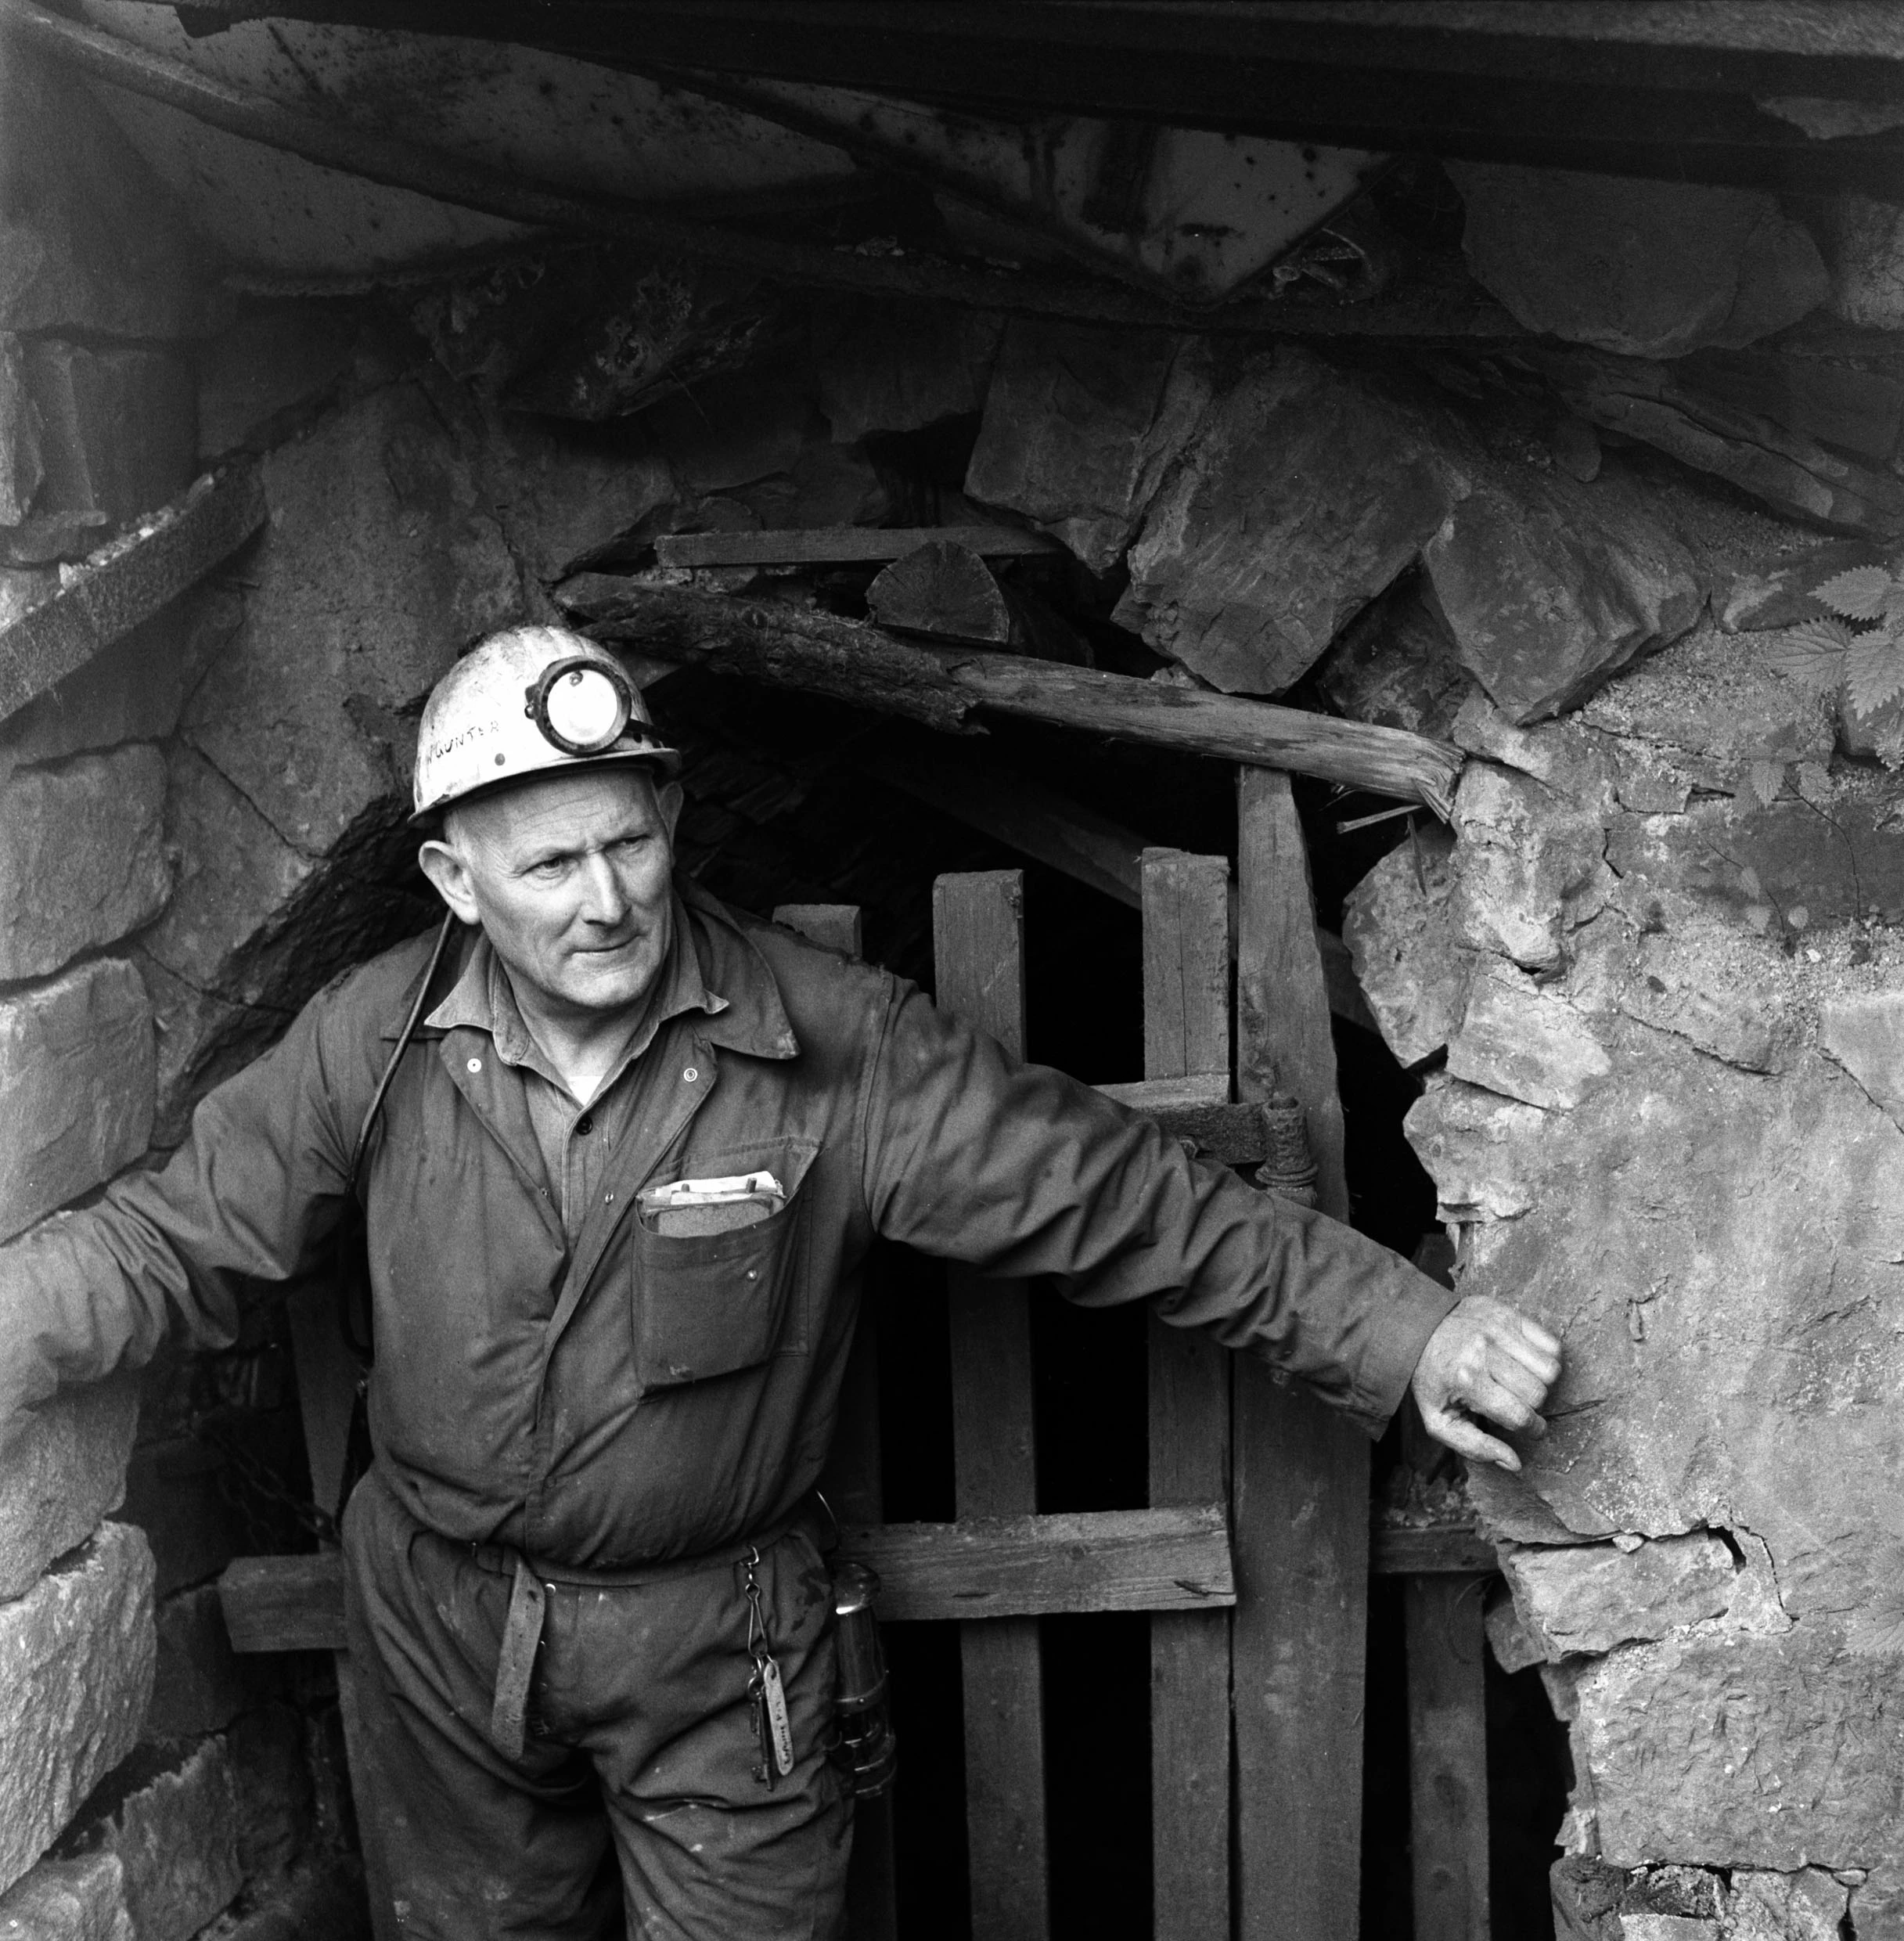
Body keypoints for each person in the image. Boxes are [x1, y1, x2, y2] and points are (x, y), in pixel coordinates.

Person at [0, 625, 1561, 1939]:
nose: (606, 899)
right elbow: (174, 1241)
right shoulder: (372, 1041)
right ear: (453, 879)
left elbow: (1131, 1203)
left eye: (630, 842)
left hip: (715, 1642)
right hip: (441, 1632)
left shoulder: (832, 1045)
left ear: (675, 821)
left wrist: (1407, 1331)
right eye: (550, 863)